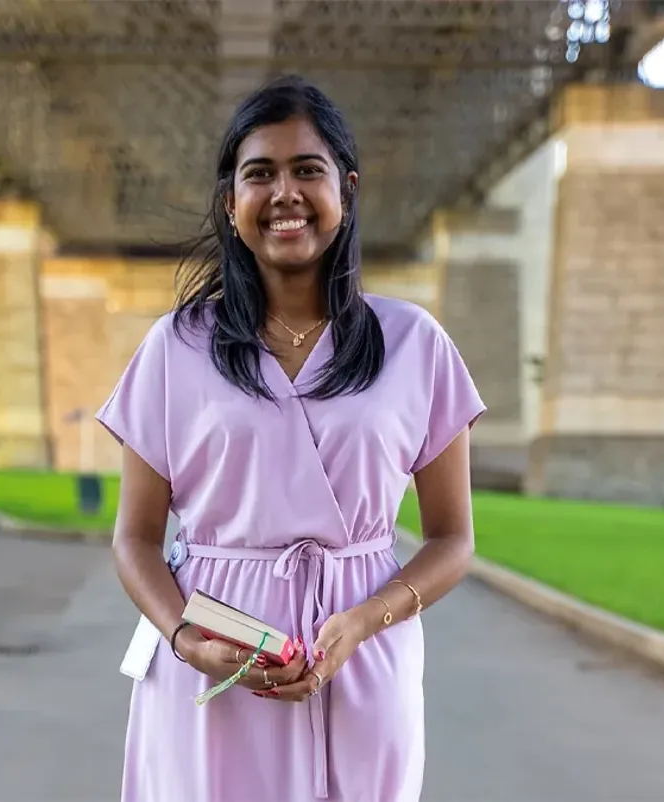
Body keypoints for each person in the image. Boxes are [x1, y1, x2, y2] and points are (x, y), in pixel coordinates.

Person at [96, 74, 485, 802]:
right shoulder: (176, 347)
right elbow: (135, 540)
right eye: (259, 174)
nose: (285, 193)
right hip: (214, 661)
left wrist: (367, 619)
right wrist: (186, 641)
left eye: (308, 170)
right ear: (230, 202)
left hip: (364, 657)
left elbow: (452, 539)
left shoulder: (414, 344)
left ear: (347, 189)